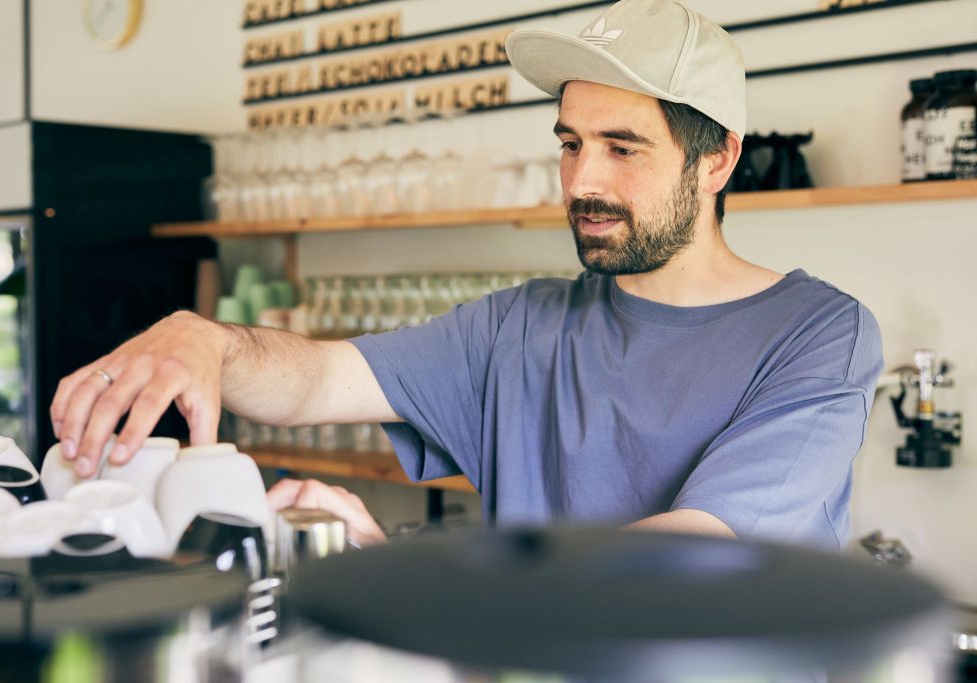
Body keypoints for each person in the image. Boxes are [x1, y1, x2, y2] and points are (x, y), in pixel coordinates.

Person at [50, 0, 882, 550]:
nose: (582, 179)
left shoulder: (818, 334)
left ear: (717, 161)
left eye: (622, 148)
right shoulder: (521, 325)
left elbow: (687, 550)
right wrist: (208, 343)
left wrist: (415, 573)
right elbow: (317, 380)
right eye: (569, 143)